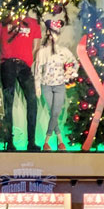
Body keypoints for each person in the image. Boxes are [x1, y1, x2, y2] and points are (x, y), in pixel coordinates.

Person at [0, 15, 42, 152]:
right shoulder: (2, 21)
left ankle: (31, 142)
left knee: (32, 100)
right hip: (7, 63)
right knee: (8, 101)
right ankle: (9, 142)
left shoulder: (33, 22)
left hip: (24, 65)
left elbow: (36, 47)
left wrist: (27, 61)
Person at [33, 19, 78, 151]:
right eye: (53, 33)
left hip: (59, 86)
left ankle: (48, 142)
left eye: (57, 33)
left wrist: (69, 73)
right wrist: (37, 86)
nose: (55, 36)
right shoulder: (42, 51)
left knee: (55, 112)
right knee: (52, 112)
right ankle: (59, 141)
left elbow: (75, 63)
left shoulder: (63, 50)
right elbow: (37, 70)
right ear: (48, 33)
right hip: (46, 85)